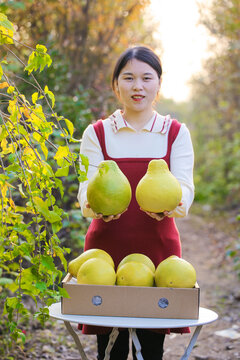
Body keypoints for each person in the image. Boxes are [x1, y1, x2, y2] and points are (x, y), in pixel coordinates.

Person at [77, 45, 195, 360]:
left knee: (151, 347)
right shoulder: (98, 133)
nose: (137, 86)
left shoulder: (175, 133)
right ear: (116, 84)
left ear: (158, 84)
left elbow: (185, 189)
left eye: (146, 77)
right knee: (110, 348)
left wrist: (172, 204)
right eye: (128, 78)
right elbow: (85, 190)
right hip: (105, 250)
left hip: (158, 250)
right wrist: (95, 207)